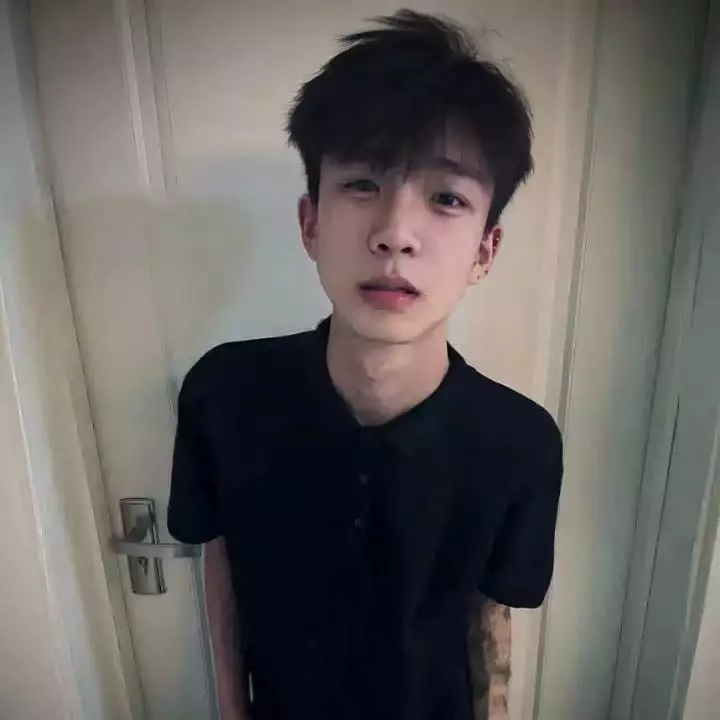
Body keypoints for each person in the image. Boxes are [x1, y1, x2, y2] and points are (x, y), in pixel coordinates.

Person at [168, 9, 563, 720]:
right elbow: (219, 556)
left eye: (446, 198)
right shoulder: (224, 393)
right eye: (361, 185)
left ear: (485, 250)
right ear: (310, 222)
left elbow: (492, 621)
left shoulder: (520, 440)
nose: (394, 234)